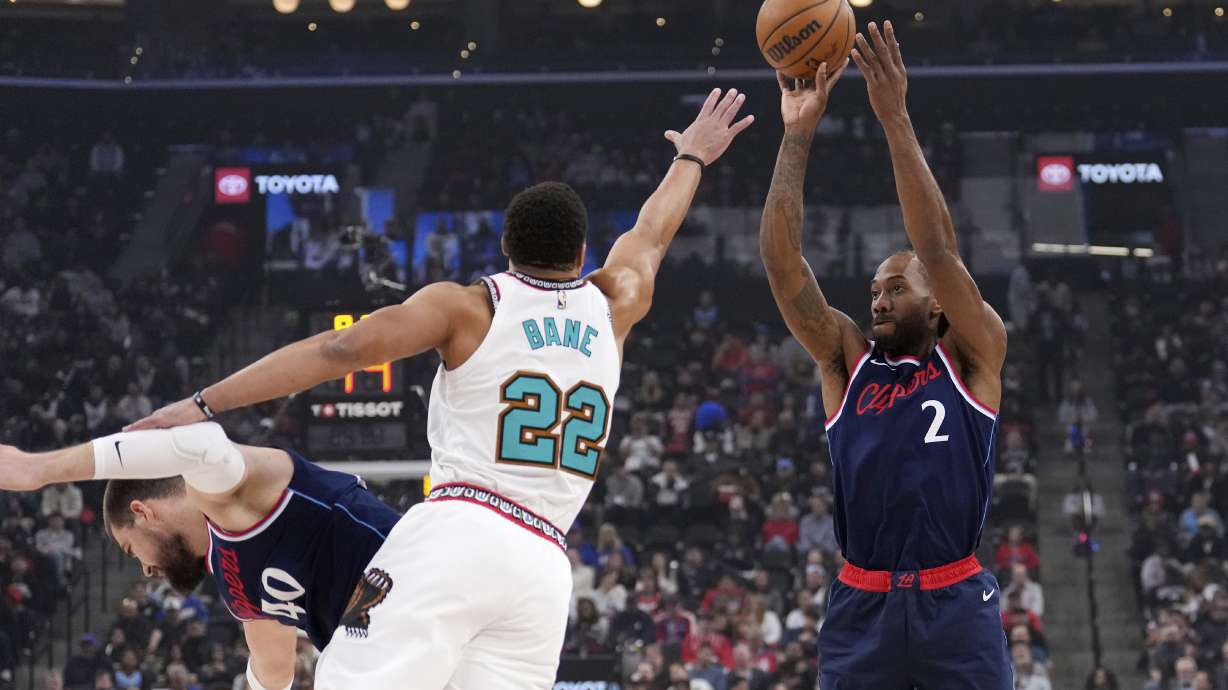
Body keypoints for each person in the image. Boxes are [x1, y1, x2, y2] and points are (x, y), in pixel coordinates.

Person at [126, 89, 755, 690]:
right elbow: (652, 233)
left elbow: (338, 349)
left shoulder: (470, 307)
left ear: (505, 246)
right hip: (543, 566)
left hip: (462, 531)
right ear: (583, 250)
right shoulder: (617, 301)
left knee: (346, 674)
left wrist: (203, 403)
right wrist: (691, 156)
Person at [758, 22, 1011, 689]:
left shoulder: (973, 355)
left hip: (954, 603)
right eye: (873, 290)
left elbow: (936, 250)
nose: (877, 299)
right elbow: (784, 268)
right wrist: (797, 133)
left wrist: (893, 117)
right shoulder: (846, 360)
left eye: (894, 289)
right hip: (861, 603)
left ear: (936, 305)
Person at [0, 422, 400, 690]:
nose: (145, 568)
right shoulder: (231, 578)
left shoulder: (226, 495)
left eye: (131, 549)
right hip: (404, 643)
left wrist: (39, 469)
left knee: (342, 674)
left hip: (418, 573)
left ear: (143, 512)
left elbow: (202, 444)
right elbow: (273, 671)